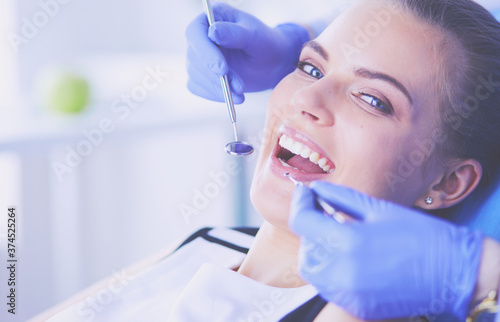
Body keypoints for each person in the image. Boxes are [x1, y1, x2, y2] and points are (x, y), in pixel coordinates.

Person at [40, 0, 500, 321]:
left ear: (448, 182)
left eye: (373, 100)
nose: (308, 98)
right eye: (310, 67)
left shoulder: (358, 312)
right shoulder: (210, 242)